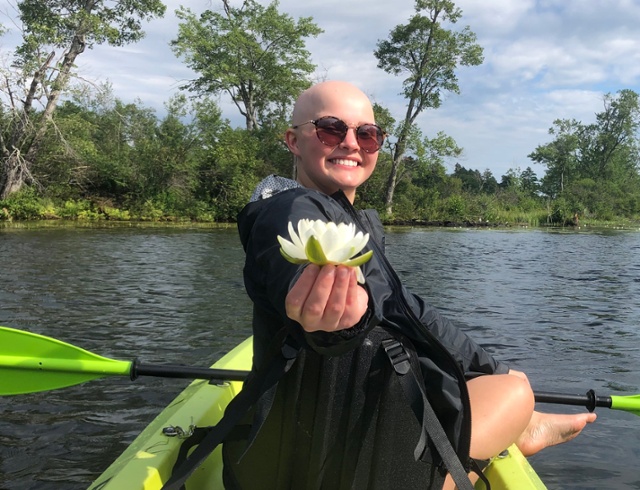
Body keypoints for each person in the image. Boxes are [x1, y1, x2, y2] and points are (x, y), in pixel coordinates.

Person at [214, 81, 595, 490]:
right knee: (514, 393)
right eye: (330, 128)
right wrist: (333, 323)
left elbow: (410, 311)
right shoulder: (289, 209)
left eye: (367, 134)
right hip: (335, 460)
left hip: (329, 437)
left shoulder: (352, 223)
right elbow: (295, 274)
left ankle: (526, 423)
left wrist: (489, 367)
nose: (351, 143)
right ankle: (477, 457)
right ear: (294, 140)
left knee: (510, 383)